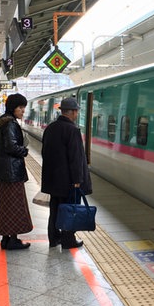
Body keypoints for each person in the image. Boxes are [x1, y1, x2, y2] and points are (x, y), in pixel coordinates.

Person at [41, 97, 92, 249]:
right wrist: (78, 180)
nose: (76, 115)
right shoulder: (72, 130)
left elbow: (45, 153)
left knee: (55, 209)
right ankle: (68, 240)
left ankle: (54, 238)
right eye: (76, 112)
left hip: (53, 179)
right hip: (69, 181)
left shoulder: (50, 128)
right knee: (70, 210)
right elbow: (76, 158)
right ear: (73, 112)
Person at [0, 93, 33, 250]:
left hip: (5, 172)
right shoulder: (10, 124)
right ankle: (12, 240)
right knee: (14, 205)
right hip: (11, 172)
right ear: (14, 108)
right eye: (21, 108)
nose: (23, 111)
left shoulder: (2, 122)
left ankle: (6, 238)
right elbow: (11, 147)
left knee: (6, 205)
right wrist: (24, 150)